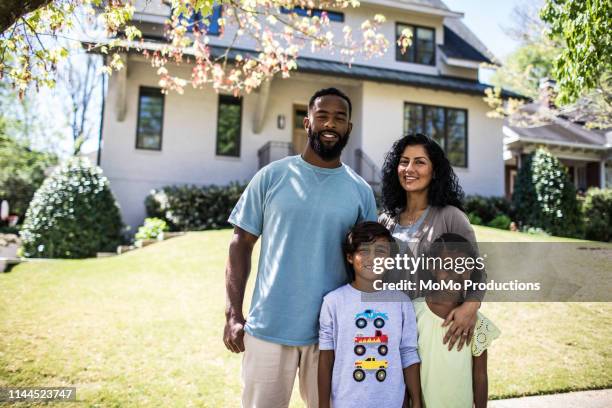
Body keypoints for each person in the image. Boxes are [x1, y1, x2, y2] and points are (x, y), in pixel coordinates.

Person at [223, 87, 378, 407]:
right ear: (307, 123)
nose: (330, 124)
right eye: (322, 116)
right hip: (268, 327)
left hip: (332, 334)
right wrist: (233, 314)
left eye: (339, 118)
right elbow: (240, 244)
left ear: (349, 128)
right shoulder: (271, 177)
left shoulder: (360, 191)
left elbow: (370, 265)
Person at [378, 133, 487, 351]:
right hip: (390, 328)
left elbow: (477, 269)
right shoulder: (385, 220)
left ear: (434, 170)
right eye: (404, 162)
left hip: (435, 328)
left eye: (419, 162)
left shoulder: (451, 217)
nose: (409, 169)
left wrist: (470, 307)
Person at [318, 221, 421, 408]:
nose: (373, 258)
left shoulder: (401, 302)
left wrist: (417, 401)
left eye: (381, 251)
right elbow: (326, 359)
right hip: (346, 402)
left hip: (392, 402)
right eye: (364, 251)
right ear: (350, 257)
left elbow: (408, 353)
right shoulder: (333, 302)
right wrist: (323, 404)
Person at [413, 233, 500, 408]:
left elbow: (480, 375)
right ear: (432, 267)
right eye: (447, 265)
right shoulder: (414, 312)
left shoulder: (477, 323)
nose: (455, 272)